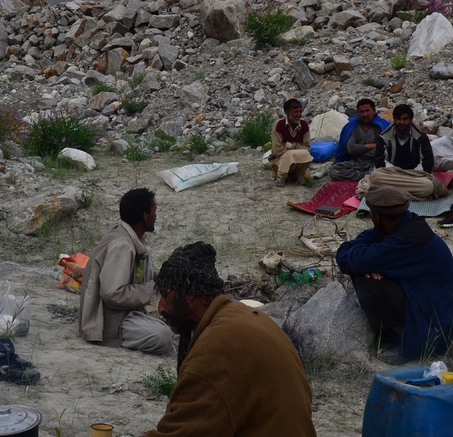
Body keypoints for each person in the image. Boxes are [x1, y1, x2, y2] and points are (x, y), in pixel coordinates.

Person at [146, 242, 317, 437]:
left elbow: (185, 431)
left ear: (191, 294)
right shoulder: (241, 316)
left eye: (166, 295)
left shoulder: (217, 348)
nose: (160, 308)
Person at [336, 188, 453, 364]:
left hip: (435, 322)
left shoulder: (410, 238)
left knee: (367, 281)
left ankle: (406, 343)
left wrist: (363, 264)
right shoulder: (395, 226)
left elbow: (357, 261)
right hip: (419, 296)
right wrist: (363, 263)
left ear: (377, 216)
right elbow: (344, 251)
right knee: (365, 270)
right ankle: (395, 335)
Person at [78, 187, 174, 355]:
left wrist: (168, 278)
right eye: (154, 211)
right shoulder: (122, 245)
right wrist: (153, 289)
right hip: (111, 321)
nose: (156, 216)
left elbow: (138, 275)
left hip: (124, 312)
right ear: (145, 216)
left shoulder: (129, 238)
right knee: (163, 336)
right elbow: (113, 294)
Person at [354, 104, 447, 200]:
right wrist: (397, 173)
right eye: (398, 119)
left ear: (410, 120)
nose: (401, 122)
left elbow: (427, 163)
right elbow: (380, 162)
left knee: (428, 187)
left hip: (414, 176)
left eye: (405, 119)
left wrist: (409, 174)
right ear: (394, 119)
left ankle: (392, 192)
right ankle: (405, 193)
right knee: (375, 176)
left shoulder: (421, 137)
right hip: (392, 174)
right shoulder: (384, 137)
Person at [329, 98, 388, 181]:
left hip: (375, 162)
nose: (365, 114)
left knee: (381, 172)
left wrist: (361, 148)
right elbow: (351, 148)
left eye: (367, 111)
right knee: (334, 171)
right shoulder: (353, 127)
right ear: (358, 112)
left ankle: (367, 177)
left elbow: (386, 148)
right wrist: (373, 146)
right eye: (362, 112)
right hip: (356, 162)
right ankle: (366, 177)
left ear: (374, 111)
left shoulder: (383, 126)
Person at [269, 98, 313, 187]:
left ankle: (297, 175)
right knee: (291, 155)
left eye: (300, 112)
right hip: (280, 160)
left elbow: (307, 148)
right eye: (295, 112)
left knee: (307, 174)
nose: (299, 115)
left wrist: (290, 146)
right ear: (287, 112)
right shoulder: (279, 125)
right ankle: (281, 177)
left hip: (297, 160)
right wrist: (296, 150)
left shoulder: (304, 125)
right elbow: (277, 150)